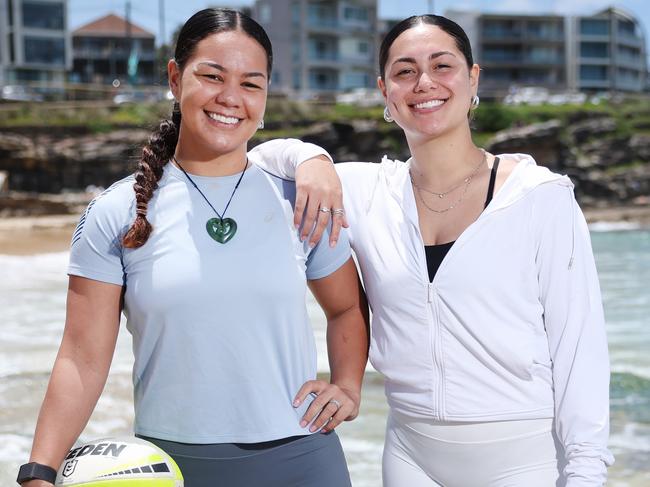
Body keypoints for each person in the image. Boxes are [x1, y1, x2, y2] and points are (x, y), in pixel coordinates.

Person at [256, 14, 613, 487]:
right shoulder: (364, 191)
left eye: (442, 65)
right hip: (410, 456)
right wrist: (310, 157)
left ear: (472, 79)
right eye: (405, 71)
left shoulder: (539, 197)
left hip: (521, 459)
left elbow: (579, 349)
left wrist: (586, 473)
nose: (424, 83)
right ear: (385, 91)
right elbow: (255, 160)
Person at [17, 9, 369, 487]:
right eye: (212, 76)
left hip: (302, 458)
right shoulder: (118, 211)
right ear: (175, 77)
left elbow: (347, 307)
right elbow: (81, 357)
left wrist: (347, 386)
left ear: (266, 97)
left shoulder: (300, 199)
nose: (230, 97)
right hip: (166, 468)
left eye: (251, 83)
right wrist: (40, 470)